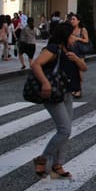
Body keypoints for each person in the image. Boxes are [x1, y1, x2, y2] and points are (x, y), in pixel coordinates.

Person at [31, 22, 87, 179]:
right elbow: (36, 65)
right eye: (72, 35)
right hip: (53, 94)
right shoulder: (53, 49)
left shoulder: (70, 51)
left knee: (65, 131)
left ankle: (57, 165)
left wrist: (77, 59)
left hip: (67, 93)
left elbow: (84, 68)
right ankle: (42, 159)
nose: (75, 38)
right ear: (64, 36)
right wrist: (45, 82)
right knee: (64, 130)